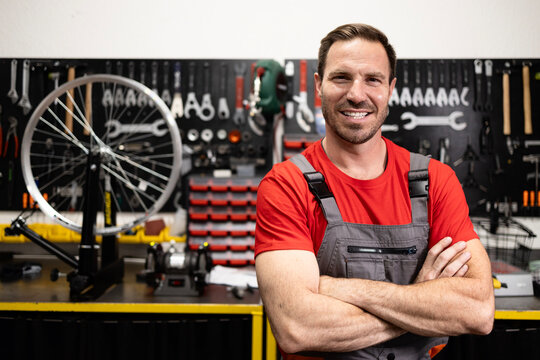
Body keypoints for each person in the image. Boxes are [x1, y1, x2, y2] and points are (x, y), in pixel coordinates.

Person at [255, 23, 494, 360]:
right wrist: (422, 301)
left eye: (373, 79)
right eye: (341, 77)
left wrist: (337, 289)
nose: (356, 94)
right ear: (318, 86)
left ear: (390, 89)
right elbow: (297, 328)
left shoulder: (436, 180)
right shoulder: (286, 186)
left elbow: (477, 311)